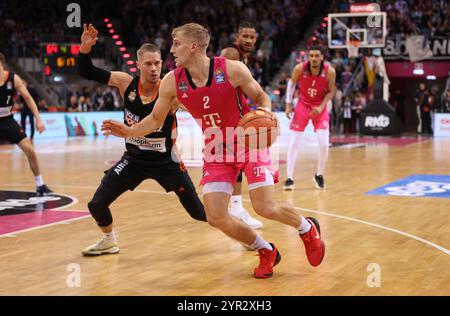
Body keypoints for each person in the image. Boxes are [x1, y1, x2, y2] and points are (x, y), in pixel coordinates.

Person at [102, 23, 325, 279]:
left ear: (193, 47)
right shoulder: (172, 81)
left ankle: (307, 228)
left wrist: (264, 116)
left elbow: (262, 96)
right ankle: (266, 250)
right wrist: (129, 131)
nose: (171, 50)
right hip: (215, 147)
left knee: (264, 207)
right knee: (216, 216)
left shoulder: (231, 69)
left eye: (176, 44)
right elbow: (154, 119)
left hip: (246, 141)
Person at [78, 24, 207, 256]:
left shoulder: (171, 91)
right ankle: (109, 240)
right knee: (96, 204)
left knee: (198, 212)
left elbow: (200, 110)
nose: (154, 68)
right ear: (138, 65)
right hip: (134, 160)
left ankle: (240, 232)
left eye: (157, 63)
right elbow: (87, 72)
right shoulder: (125, 83)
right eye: (148, 63)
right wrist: (85, 48)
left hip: (166, 161)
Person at [220, 21, 262, 230]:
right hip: (228, 118)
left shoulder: (240, 56)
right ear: (237, 37)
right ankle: (233, 207)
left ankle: (234, 206)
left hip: (233, 116)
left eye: (252, 37)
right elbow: (217, 82)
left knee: (235, 162)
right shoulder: (231, 53)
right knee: (236, 162)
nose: (249, 40)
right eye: (245, 36)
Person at [284, 46, 336, 190]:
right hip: (303, 105)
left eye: (316, 56)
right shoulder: (300, 68)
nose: (313, 58)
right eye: (311, 56)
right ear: (308, 57)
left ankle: (319, 174)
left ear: (321, 58)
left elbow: (331, 92)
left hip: (320, 107)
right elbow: (291, 84)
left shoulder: (329, 71)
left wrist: (321, 106)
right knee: (294, 142)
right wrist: (288, 104)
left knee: (324, 144)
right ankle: (289, 178)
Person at [0, 53, 53, 196]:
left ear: (1, 63)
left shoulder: (13, 78)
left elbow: (28, 98)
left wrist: (38, 118)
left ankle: (40, 185)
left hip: (8, 121)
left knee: (30, 150)